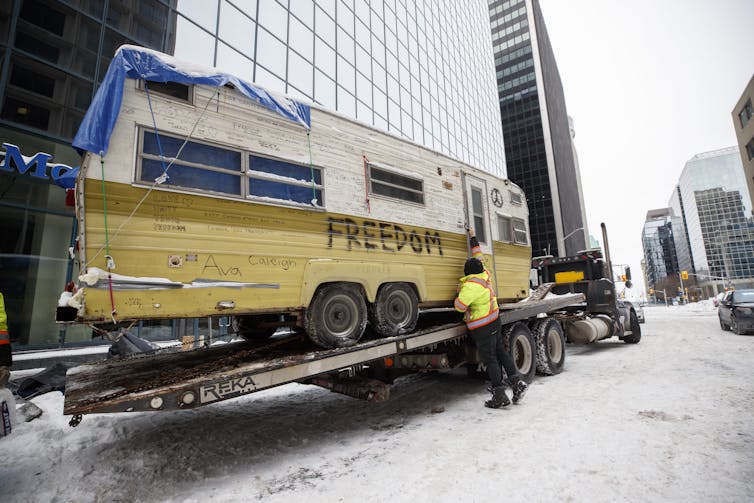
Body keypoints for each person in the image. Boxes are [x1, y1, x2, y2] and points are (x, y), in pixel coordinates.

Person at [454, 228, 528, 408]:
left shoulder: (470, 286)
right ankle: (517, 383)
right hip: (495, 321)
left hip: (482, 328)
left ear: (467, 273)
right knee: (501, 353)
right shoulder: (484, 275)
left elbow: (459, 307)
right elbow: (478, 254)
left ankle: (499, 394)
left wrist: (458, 293)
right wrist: (473, 236)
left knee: (492, 360)